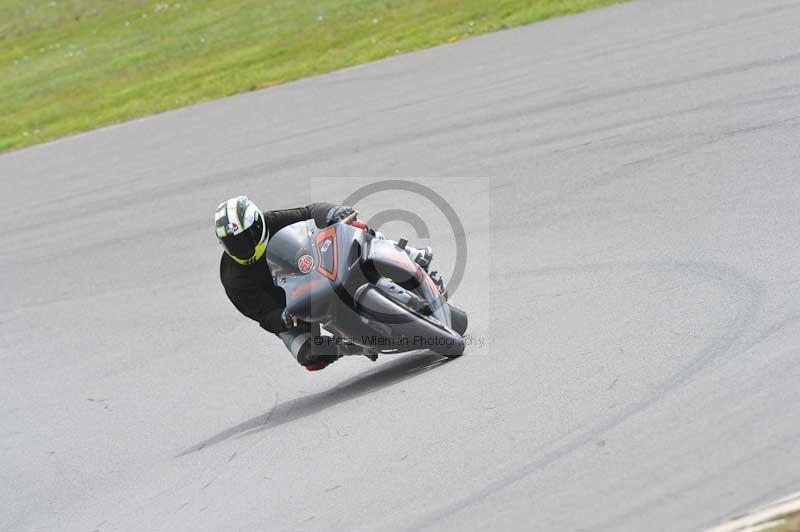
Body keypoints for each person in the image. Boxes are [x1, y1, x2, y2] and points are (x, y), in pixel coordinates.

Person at [214, 196, 433, 372]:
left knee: (353, 225)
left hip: (317, 268)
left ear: (257, 224)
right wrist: (282, 318)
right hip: (292, 307)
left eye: (244, 238)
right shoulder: (234, 279)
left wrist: (332, 212)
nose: (241, 248)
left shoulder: (271, 221)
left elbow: (309, 212)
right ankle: (355, 346)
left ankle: (409, 254)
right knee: (309, 357)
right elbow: (263, 313)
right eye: (232, 243)